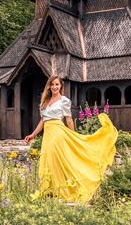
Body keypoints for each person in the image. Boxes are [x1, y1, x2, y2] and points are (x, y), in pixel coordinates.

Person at [24, 75, 118, 203]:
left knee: (57, 159)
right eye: (52, 84)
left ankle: (66, 189)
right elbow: (43, 120)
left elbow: (68, 119)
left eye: (57, 84)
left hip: (58, 132)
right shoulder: (44, 102)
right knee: (49, 160)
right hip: (48, 135)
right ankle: (52, 190)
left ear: (61, 86)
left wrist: (74, 135)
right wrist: (33, 135)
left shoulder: (64, 100)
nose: (54, 87)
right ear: (49, 86)